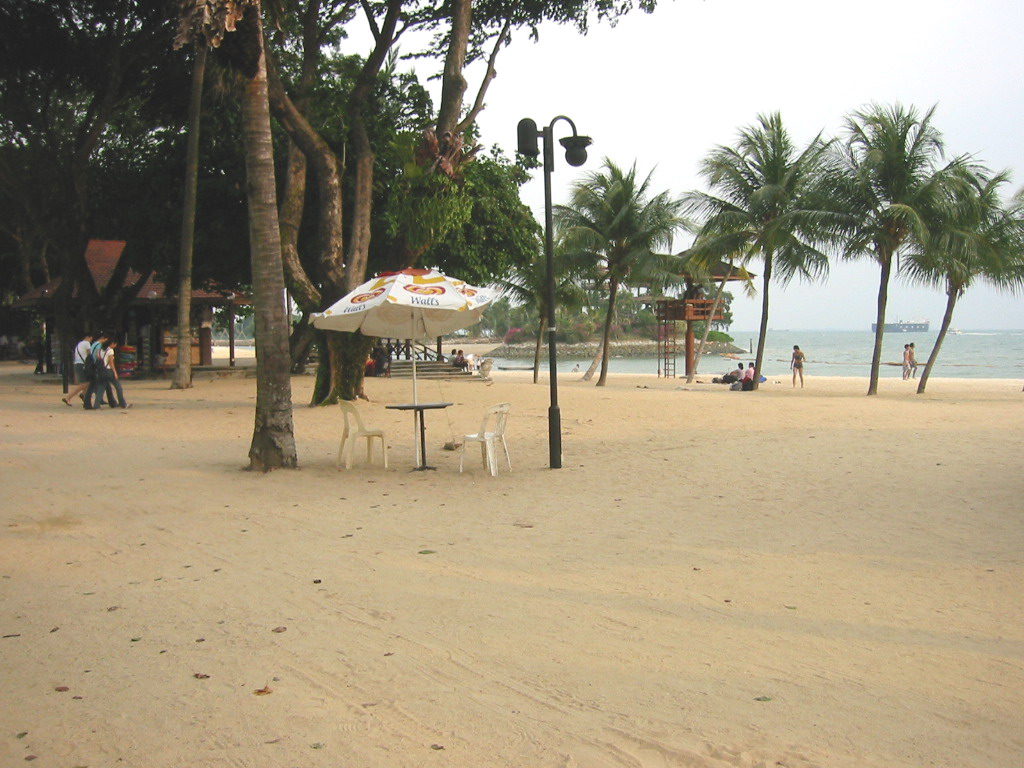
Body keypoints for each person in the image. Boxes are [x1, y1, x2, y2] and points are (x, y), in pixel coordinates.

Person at [62, 332, 94, 406]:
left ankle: (84, 396)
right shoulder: (87, 343)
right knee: (84, 384)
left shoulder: (79, 344)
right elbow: (90, 354)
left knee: (87, 382)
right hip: (82, 365)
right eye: (91, 338)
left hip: (77, 364)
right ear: (89, 337)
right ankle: (68, 397)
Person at [99, 339, 131, 410]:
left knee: (103, 387)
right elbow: (111, 362)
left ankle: (97, 404)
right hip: (109, 370)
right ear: (112, 344)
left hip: (102, 370)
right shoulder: (110, 350)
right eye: (115, 344)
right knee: (118, 387)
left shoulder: (101, 350)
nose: (115, 346)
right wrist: (115, 372)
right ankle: (122, 403)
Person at [84, 333, 113, 409]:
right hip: (96, 367)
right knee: (94, 385)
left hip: (92, 366)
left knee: (93, 385)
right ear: (104, 339)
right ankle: (90, 404)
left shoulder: (93, 344)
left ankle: (87, 403)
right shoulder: (99, 345)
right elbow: (98, 355)